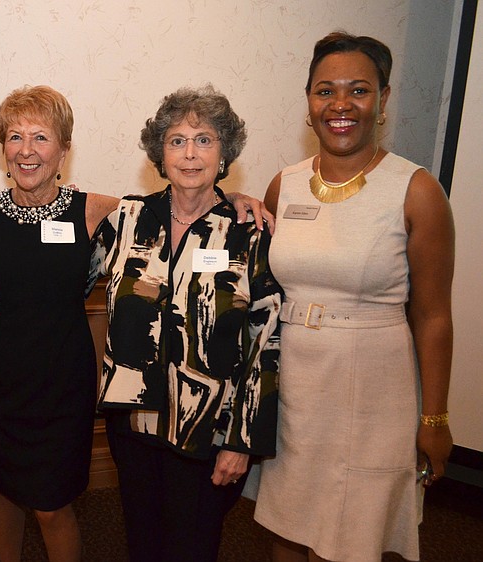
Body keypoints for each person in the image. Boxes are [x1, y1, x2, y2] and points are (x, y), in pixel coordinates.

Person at [253, 32, 454, 562]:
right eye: (325, 91)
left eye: (358, 90)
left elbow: (433, 316)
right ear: (309, 103)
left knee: (352, 536)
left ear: (383, 100)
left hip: (373, 390)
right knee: (288, 522)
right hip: (295, 383)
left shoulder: (415, 190)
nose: (340, 105)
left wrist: (434, 419)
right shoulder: (284, 186)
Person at [89, 85, 283, 562]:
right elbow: (62, 278)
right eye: (177, 140)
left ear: (225, 153)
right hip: (133, 422)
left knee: (192, 546)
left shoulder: (247, 232)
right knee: (142, 542)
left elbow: (266, 341)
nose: (190, 153)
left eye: (204, 140)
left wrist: (242, 441)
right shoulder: (128, 219)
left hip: (208, 431)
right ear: (160, 152)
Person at [0, 85, 118, 562]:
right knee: (4, 492)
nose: (27, 150)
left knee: (53, 506)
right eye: (15, 137)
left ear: (64, 149)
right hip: (2, 378)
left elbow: (176, 212)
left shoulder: (94, 210)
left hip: (64, 377)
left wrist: (234, 196)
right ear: (4, 149)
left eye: (41, 137)